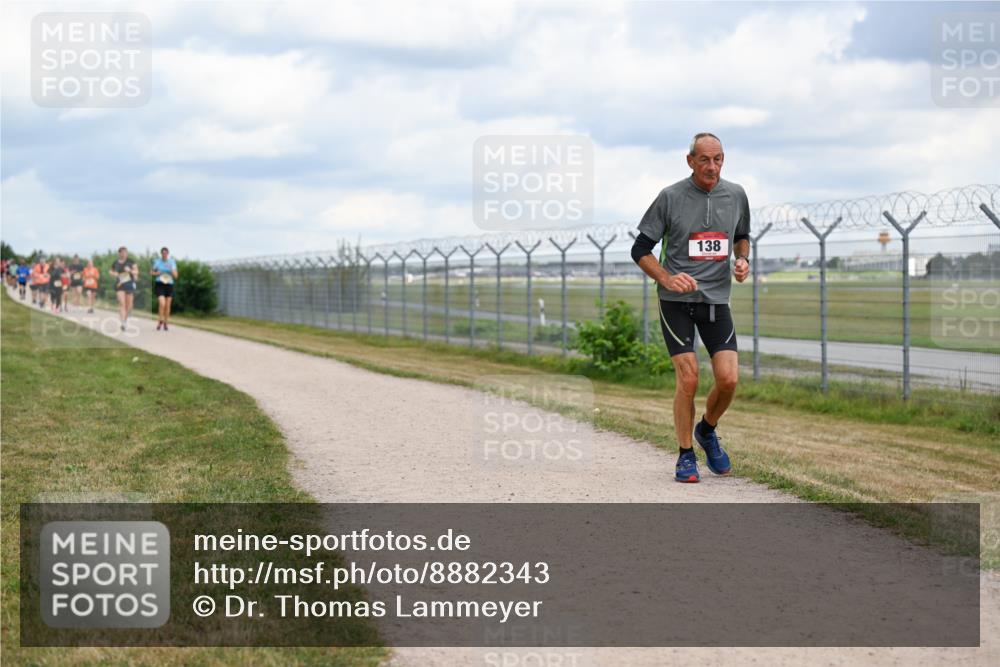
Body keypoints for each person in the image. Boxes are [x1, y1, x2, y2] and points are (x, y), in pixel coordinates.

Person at [630, 132, 751, 483]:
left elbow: (742, 236)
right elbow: (640, 249)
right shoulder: (670, 197)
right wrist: (667, 279)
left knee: (728, 380)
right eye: (704, 160)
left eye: (717, 159)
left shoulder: (737, 194)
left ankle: (707, 430)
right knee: (689, 378)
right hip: (677, 303)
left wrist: (742, 260)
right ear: (690, 161)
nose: (711, 166)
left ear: (723, 159)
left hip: (716, 300)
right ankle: (685, 456)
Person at [109, 246, 138, 331]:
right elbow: (110, 270)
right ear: (119, 253)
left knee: (129, 305)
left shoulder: (131, 261)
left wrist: (130, 271)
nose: (124, 253)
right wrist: (113, 273)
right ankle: (123, 323)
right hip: (120, 284)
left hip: (129, 283)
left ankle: (125, 320)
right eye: (122, 252)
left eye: (126, 252)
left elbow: (136, 271)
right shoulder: (116, 262)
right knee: (122, 303)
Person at [151, 247, 178, 331]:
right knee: (162, 303)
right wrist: (157, 273)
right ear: (161, 254)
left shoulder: (172, 262)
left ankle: (165, 323)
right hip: (160, 284)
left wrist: (171, 269)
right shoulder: (157, 262)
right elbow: (151, 272)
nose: (164, 255)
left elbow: (176, 276)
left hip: (169, 284)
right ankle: (160, 321)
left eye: (166, 253)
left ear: (168, 254)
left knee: (167, 305)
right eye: (163, 253)